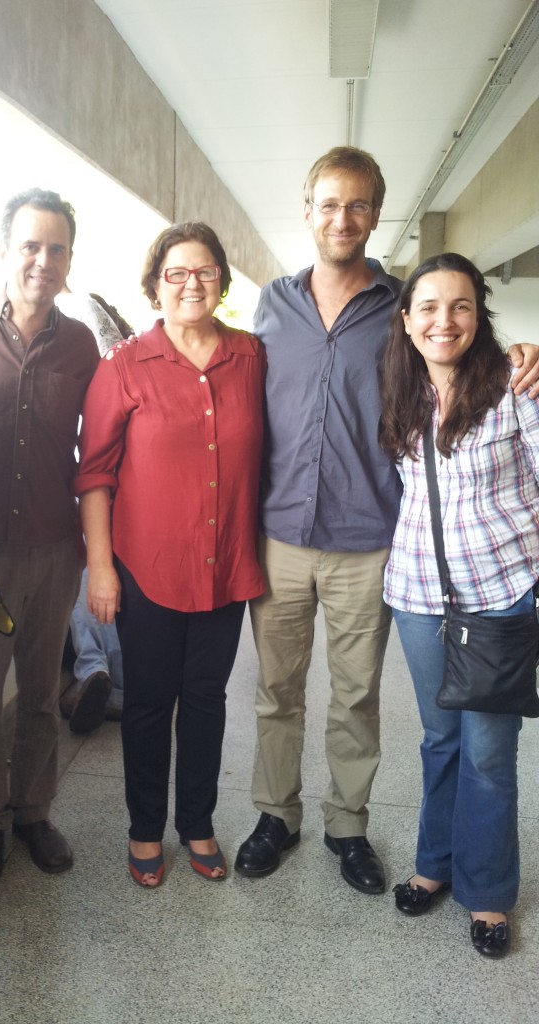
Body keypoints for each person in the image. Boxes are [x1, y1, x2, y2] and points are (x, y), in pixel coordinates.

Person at [234, 146, 539, 895]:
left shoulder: (406, 307)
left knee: (355, 694)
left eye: (359, 204)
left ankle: (348, 825)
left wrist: (524, 357)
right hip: (278, 535)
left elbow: (463, 367)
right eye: (329, 204)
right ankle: (277, 814)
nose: (344, 217)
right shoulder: (272, 303)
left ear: (376, 214)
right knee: (276, 692)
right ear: (307, 212)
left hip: (370, 539)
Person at [76, 222, 267, 887]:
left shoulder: (250, 357)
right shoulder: (124, 365)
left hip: (227, 562)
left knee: (208, 699)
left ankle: (198, 822)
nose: (191, 283)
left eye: (205, 271)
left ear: (222, 280)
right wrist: (100, 566)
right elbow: (95, 473)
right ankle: (144, 827)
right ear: (156, 285)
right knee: (152, 701)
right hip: (146, 567)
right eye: (176, 273)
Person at [380, 253, 539, 959]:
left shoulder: (515, 386)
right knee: (439, 739)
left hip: (500, 595)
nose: (445, 320)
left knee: (487, 753)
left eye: (462, 306)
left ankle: (488, 893)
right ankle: (434, 864)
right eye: (430, 307)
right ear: (408, 320)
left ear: (479, 316)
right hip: (417, 595)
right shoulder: (400, 389)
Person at [0, 189, 99, 887]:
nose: (42, 260)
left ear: (68, 261)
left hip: (54, 546)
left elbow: (102, 445)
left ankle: (33, 811)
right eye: (30, 246)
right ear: (2, 250)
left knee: (39, 691)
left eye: (56, 248)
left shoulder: (80, 344)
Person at [55, 288, 130, 732]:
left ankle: (93, 673)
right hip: (106, 479)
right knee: (99, 581)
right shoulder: (94, 315)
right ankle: (113, 681)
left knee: (89, 579)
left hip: (91, 477)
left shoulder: (72, 307)